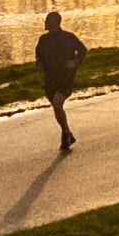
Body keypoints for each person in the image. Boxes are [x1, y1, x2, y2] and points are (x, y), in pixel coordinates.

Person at [35, 10, 89, 152]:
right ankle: (67, 133)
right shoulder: (43, 40)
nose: (45, 23)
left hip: (65, 77)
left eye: (48, 21)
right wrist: (39, 67)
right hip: (50, 79)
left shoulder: (68, 37)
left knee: (58, 105)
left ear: (55, 23)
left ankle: (65, 135)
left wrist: (75, 62)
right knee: (56, 107)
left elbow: (83, 50)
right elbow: (39, 56)